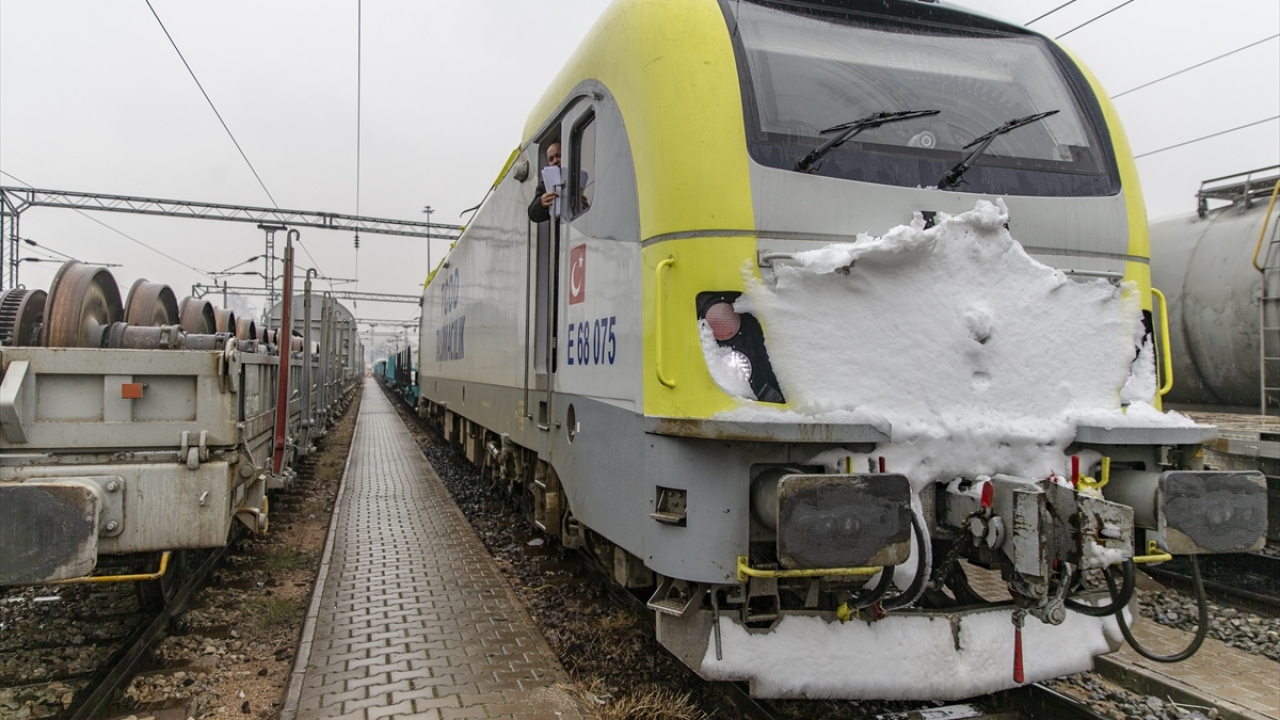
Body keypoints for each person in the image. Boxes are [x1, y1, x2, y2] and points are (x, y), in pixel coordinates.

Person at [527, 141, 561, 223]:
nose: (555, 161)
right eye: (551, 159)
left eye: (559, 156)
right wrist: (541, 202)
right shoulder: (544, 187)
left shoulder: (578, 178)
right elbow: (532, 214)